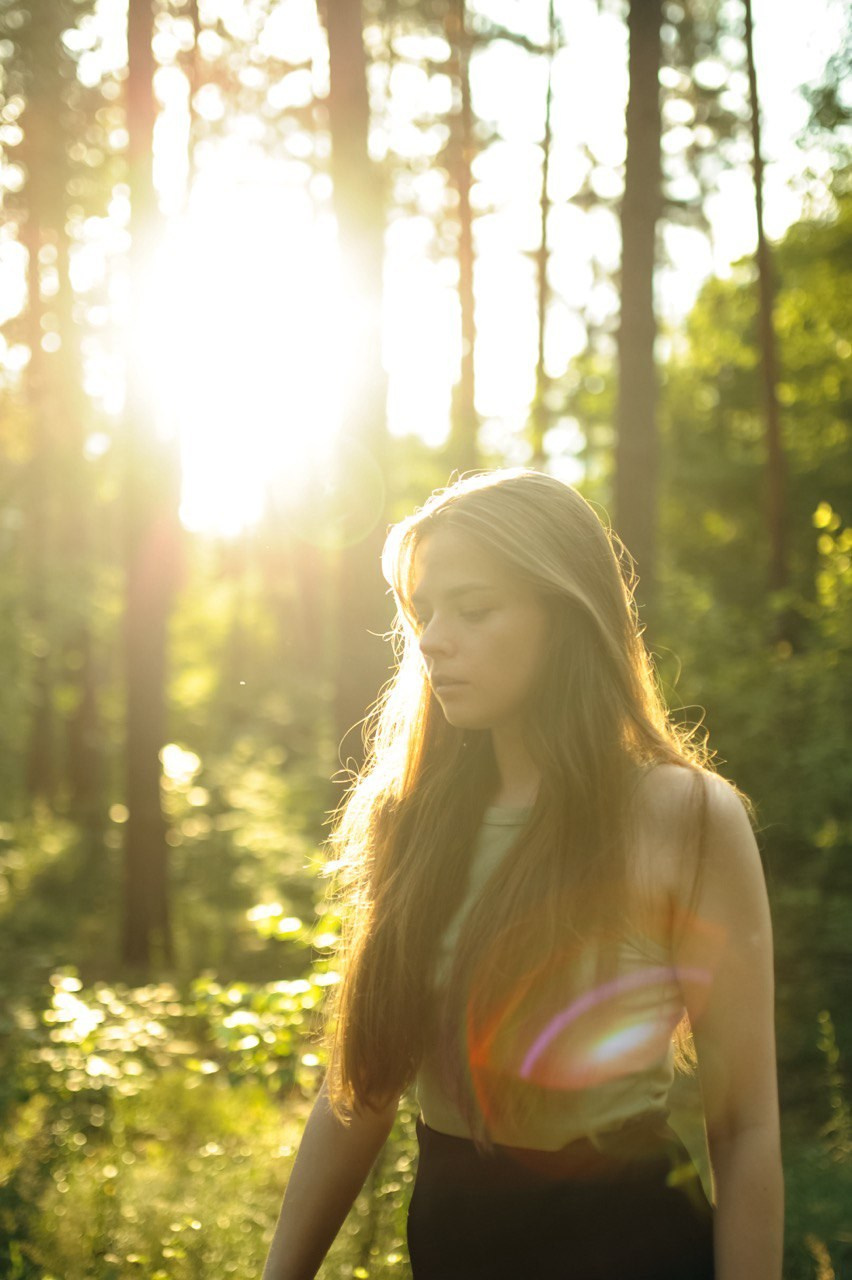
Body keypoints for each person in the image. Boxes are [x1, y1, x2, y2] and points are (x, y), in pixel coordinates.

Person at [261, 469, 783, 1280]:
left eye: (473, 609)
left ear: (565, 614)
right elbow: (361, 1090)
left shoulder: (685, 816)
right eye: (423, 612)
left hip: (632, 1245)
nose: (434, 638)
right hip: (453, 1245)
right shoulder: (411, 821)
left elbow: (746, 1125)